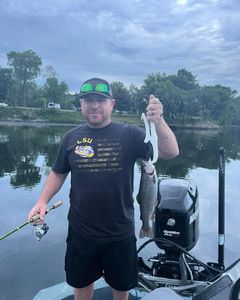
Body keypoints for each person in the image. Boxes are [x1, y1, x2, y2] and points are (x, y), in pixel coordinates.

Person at [28, 77, 179, 300]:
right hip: (81, 231)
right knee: (81, 284)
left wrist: (159, 120)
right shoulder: (71, 137)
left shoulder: (130, 134)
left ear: (112, 104)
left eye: (101, 99)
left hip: (119, 232)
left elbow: (170, 152)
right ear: (81, 104)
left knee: (121, 286)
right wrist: (42, 201)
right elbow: (58, 171)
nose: (94, 105)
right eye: (88, 99)